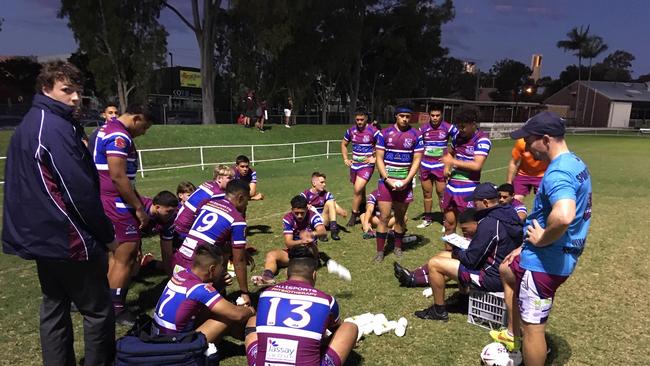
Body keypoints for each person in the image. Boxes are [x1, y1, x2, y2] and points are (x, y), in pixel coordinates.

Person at [2, 61, 116, 365]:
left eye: (78, 90)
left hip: (42, 239)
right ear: (46, 88)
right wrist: (107, 235)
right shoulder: (52, 128)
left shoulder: (32, 123)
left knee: (54, 307)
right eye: (67, 90)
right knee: (97, 310)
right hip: (68, 238)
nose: (76, 97)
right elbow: (79, 193)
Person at [491, 112, 592, 366]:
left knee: (533, 329)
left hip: (545, 263)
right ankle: (512, 333)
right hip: (554, 256)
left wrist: (542, 240)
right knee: (507, 270)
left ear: (546, 139)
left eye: (528, 139)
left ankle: (526, 344)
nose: (524, 145)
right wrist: (524, 245)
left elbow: (564, 215)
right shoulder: (576, 163)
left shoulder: (558, 172)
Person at [414, 183, 523, 321]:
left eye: (475, 203)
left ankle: (438, 310)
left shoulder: (489, 222)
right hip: (506, 271)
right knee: (443, 255)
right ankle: (463, 299)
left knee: (435, 264)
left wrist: (458, 250)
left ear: (485, 202)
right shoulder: (509, 212)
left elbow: (471, 261)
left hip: (492, 277)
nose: (473, 206)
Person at [245, 246, 358, 366]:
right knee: (350, 327)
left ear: (286, 274)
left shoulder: (265, 294)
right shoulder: (326, 300)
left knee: (253, 320)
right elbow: (337, 328)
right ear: (314, 275)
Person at [93, 103, 153, 325]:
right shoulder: (120, 136)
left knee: (116, 254)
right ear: (137, 118)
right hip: (115, 203)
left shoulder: (105, 129)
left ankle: (106, 301)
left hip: (107, 200)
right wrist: (138, 208)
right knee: (127, 251)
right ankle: (116, 308)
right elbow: (118, 176)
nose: (144, 133)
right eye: (145, 127)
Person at [173, 180, 253, 306]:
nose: (247, 204)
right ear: (241, 198)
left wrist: (241, 253)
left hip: (179, 260)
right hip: (198, 268)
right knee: (207, 314)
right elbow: (239, 262)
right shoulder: (237, 220)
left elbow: (215, 239)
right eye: (247, 200)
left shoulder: (209, 204)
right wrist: (244, 292)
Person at [153, 244, 255, 343]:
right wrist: (251, 310)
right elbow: (238, 315)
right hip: (175, 346)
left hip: (158, 337)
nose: (223, 270)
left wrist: (218, 286)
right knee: (227, 315)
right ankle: (253, 340)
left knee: (216, 309)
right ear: (212, 269)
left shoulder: (180, 274)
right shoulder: (200, 289)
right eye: (222, 266)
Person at [373, 106, 423, 261]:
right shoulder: (384, 134)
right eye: (402, 116)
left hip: (405, 183)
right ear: (396, 116)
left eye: (408, 116)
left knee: (400, 217)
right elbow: (379, 158)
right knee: (384, 217)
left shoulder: (416, 135)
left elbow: (417, 160)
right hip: (386, 182)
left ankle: (397, 247)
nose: (405, 119)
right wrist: (387, 179)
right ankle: (380, 251)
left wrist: (407, 180)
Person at [441, 105, 492, 241]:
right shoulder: (458, 137)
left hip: (468, 190)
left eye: (463, 126)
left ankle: (469, 260)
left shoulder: (482, 140)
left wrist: (453, 162)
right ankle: (448, 255)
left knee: (469, 229)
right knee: (449, 225)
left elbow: (477, 165)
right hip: (451, 188)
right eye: (458, 126)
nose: (460, 130)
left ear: (473, 124)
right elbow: (449, 154)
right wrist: (446, 168)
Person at [251, 195, 326, 287]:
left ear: (307, 209)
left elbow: (323, 232)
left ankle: (312, 262)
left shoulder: (313, 216)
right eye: (296, 213)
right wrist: (302, 241)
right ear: (291, 210)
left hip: (310, 251)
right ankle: (267, 277)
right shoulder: (288, 218)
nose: (299, 216)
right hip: (293, 252)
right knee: (271, 255)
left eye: (302, 213)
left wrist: (311, 235)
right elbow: (288, 243)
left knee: (310, 245)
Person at [393, 208, 477, 287]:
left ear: (475, 223)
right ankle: (412, 274)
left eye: (465, 229)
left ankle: (414, 280)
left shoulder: (484, 233)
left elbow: (473, 257)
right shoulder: (477, 231)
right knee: (443, 254)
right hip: (470, 259)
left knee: (445, 264)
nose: (463, 232)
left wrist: (459, 250)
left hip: (477, 270)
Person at [417, 105, 458, 228]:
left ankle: (445, 220)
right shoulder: (423, 129)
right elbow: (417, 145)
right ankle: (427, 219)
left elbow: (459, 138)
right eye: (433, 115)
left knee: (442, 193)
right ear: (429, 115)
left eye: (437, 115)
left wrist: (450, 154)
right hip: (425, 165)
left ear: (441, 115)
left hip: (440, 165)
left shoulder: (448, 127)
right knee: (427, 193)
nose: (435, 118)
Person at [173, 165, 233, 248]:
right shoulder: (217, 193)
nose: (232, 181)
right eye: (229, 178)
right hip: (186, 230)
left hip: (177, 224)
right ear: (219, 179)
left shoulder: (207, 184)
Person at [341, 108, 379, 227]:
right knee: (360, 190)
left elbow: (383, 146)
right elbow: (344, 144)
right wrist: (346, 158)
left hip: (367, 166)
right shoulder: (351, 131)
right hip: (355, 165)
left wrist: (375, 159)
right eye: (357, 119)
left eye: (362, 119)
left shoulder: (374, 131)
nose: (359, 122)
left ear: (366, 119)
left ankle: (354, 215)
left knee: (357, 189)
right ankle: (362, 208)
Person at [137, 191, 179, 276]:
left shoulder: (170, 219)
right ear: (157, 207)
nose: (172, 215)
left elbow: (167, 251)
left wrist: (171, 278)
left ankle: (149, 262)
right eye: (169, 211)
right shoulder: (139, 208)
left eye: (173, 212)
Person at [301, 172, 347, 241]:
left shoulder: (326, 194)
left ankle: (333, 230)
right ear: (314, 183)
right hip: (311, 222)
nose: (324, 184)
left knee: (330, 202)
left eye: (324, 182)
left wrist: (342, 211)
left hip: (323, 220)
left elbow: (334, 205)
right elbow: (297, 206)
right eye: (322, 182)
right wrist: (305, 206)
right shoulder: (305, 194)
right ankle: (320, 233)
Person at [506, 137, 549, 202]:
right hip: (523, 174)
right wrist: (509, 183)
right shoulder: (521, 142)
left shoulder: (547, 142)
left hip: (542, 175)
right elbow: (513, 162)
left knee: (543, 201)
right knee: (515, 199)